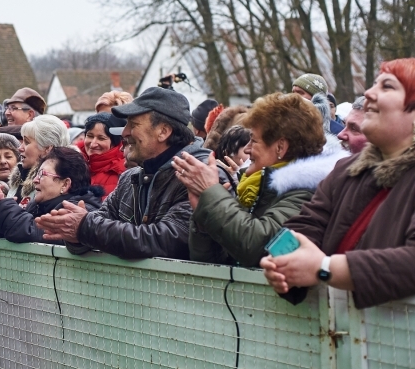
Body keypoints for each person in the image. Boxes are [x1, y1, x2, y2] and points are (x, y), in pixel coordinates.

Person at [261, 59, 415, 308]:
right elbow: (307, 224)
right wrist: (283, 261)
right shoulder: (346, 171)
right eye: (374, 84)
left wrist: (324, 269)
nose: (368, 93)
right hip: (338, 339)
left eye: (387, 86)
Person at [35, 88, 220, 259]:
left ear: (163, 131)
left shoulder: (202, 176)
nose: (124, 132)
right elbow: (96, 227)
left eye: (133, 124)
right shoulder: (130, 179)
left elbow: (167, 240)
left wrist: (84, 227)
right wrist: (76, 235)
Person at [172, 92, 348, 267]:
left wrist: (212, 194)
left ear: (280, 147)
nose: (247, 149)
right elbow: (215, 264)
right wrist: (205, 217)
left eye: (254, 141)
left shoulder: (307, 194)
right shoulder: (253, 188)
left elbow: (259, 248)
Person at [0, 147, 102, 243]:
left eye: (42, 175)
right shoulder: (35, 206)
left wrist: (0, 207)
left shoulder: (79, 209)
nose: (35, 180)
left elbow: (31, 232)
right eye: (36, 174)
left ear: (65, 184)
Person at [0, 114, 68, 206]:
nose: (20, 148)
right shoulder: (19, 177)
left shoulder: (52, 186)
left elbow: (28, 220)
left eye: (26, 142)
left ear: (47, 149)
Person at [80, 113, 126, 198]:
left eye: (101, 138)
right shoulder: (75, 166)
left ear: (115, 142)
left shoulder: (123, 173)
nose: (93, 144)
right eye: (89, 136)